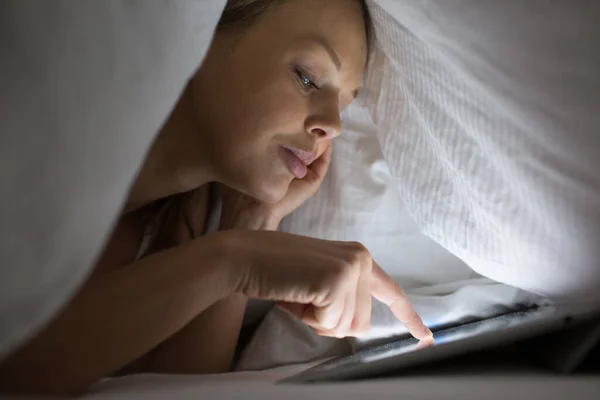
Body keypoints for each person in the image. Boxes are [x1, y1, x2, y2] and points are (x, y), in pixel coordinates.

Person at [0, 0, 432, 395]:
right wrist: (235, 261)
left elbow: (180, 391)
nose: (332, 125)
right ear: (200, 39)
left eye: (343, 104)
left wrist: (251, 223)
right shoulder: (34, 134)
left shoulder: (177, 227)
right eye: (308, 77)